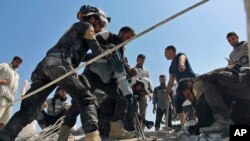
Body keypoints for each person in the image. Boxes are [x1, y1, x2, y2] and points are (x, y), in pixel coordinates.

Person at [0, 5, 109, 141]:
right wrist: (108, 52)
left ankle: (5, 136)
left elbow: (78, 54)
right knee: (86, 99)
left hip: (44, 66)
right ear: (92, 18)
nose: (101, 28)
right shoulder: (87, 26)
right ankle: (93, 137)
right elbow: (96, 50)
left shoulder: (74, 29)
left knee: (28, 111)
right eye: (101, 24)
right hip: (60, 64)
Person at [57, 26, 137, 140]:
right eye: (128, 36)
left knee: (123, 98)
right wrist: (107, 47)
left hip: (107, 80)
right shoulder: (108, 35)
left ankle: (116, 130)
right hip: (92, 74)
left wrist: (130, 70)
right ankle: (64, 132)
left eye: (131, 39)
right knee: (79, 103)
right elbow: (92, 42)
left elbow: (122, 64)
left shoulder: (122, 51)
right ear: (121, 33)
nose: (128, 40)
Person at [164, 45, 196, 128]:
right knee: (177, 103)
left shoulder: (180, 55)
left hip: (190, 80)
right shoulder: (171, 67)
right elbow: (171, 82)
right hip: (181, 84)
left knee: (194, 101)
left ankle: (200, 120)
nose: (164, 55)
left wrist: (181, 63)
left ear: (171, 51)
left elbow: (183, 58)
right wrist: (167, 93)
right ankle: (184, 126)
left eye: (165, 52)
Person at [0, 56, 22, 129]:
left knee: (4, 121)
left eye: (19, 63)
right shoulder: (5, 66)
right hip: (2, 94)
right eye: (17, 62)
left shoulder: (17, 74)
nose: (18, 64)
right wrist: (2, 81)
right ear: (13, 60)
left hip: (11, 99)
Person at [131, 54, 150, 124]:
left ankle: (142, 127)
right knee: (133, 110)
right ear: (136, 60)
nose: (141, 62)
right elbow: (129, 80)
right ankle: (133, 127)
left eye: (142, 61)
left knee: (143, 111)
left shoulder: (146, 72)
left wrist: (144, 91)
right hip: (133, 92)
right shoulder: (131, 69)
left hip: (142, 93)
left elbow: (148, 83)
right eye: (139, 60)